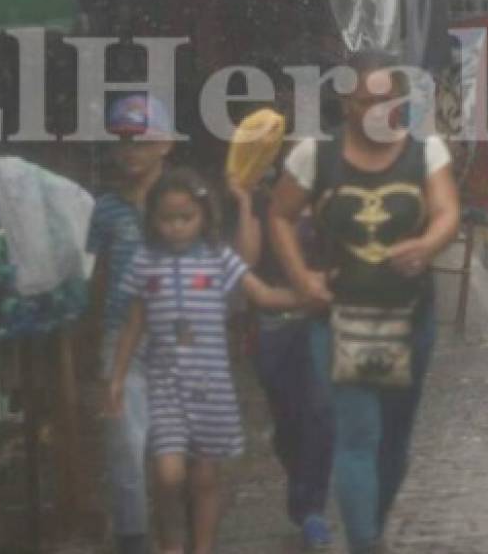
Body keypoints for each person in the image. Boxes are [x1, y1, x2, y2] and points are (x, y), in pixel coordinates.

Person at [268, 50, 460, 554]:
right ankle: (366, 542)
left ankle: (367, 526)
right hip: (338, 320)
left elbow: (446, 212)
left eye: (384, 99)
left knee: (394, 446)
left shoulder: (427, 152)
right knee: (358, 435)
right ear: (346, 103)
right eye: (363, 101)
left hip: (409, 319)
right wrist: (300, 278)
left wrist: (428, 244)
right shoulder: (315, 156)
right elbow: (280, 216)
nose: (374, 109)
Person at [107, 168, 298, 554]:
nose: (176, 227)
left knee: (206, 479)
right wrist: (117, 377)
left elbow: (261, 293)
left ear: (204, 217)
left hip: (212, 390)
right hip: (165, 388)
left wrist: (310, 293)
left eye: (186, 217)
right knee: (168, 474)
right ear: (153, 220)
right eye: (167, 219)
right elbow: (134, 324)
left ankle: (203, 547)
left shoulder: (218, 258)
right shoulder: (146, 261)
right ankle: (171, 543)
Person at [240, 110, 336, 550]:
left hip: (321, 321)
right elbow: (246, 260)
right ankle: (303, 481)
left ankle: (310, 508)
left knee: (320, 411)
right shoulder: (262, 202)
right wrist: (241, 198)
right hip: (273, 324)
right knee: (287, 418)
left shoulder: (334, 208)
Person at [86, 94, 174, 554]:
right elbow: (99, 278)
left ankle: (173, 538)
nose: (131, 151)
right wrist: (93, 346)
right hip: (120, 339)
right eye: (122, 141)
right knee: (124, 446)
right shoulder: (105, 210)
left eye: (142, 140)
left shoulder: (184, 204)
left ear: (166, 145)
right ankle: (132, 540)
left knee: (170, 451)